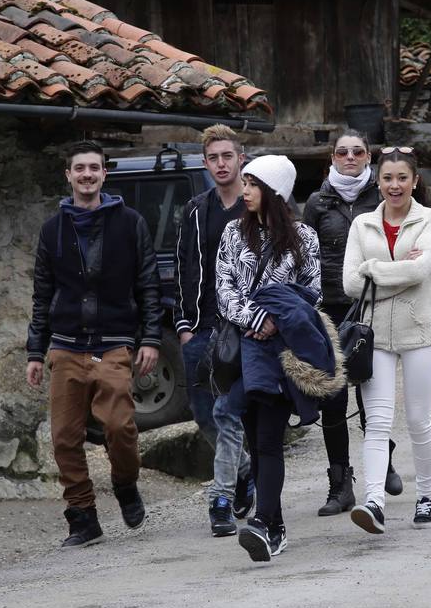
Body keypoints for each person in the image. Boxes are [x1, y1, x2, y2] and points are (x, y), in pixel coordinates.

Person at [26, 140, 161, 546]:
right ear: (68, 175)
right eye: (79, 168)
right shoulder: (52, 230)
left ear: (105, 174)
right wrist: (36, 350)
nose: (87, 175)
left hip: (114, 341)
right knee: (64, 438)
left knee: (120, 426)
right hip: (66, 344)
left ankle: (125, 485)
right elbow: (41, 293)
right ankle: (83, 516)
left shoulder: (130, 222)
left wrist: (151, 337)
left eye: (94, 168)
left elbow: (148, 284)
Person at [215, 155, 330, 561]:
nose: (244, 191)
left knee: (268, 439)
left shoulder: (305, 238)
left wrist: (276, 322)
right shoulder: (232, 232)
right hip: (245, 348)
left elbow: (311, 294)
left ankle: (263, 523)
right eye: (244, 183)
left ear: (275, 191)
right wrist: (255, 317)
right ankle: (274, 527)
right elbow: (224, 288)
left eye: (252, 184)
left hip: (282, 352)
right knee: (254, 435)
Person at [343, 146, 431, 533]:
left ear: (415, 180)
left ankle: (427, 495)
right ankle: (373, 502)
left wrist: (374, 271)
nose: (395, 185)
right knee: (378, 423)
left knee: (419, 420)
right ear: (378, 181)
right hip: (375, 338)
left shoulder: (430, 220)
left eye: (402, 177)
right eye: (388, 178)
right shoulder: (361, 225)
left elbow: (421, 270)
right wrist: (397, 272)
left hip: (419, 333)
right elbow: (350, 284)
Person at [301, 134, 402, 517]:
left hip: (370, 307)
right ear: (332, 157)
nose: (349, 157)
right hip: (327, 310)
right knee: (332, 399)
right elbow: (305, 252)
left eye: (357, 152)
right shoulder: (317, 202)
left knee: (370, 393)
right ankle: (340, 485)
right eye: (342, 152)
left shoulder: (380, 196)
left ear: (368, 157)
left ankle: (383, 461)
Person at [175, 125, 254, 537]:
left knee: (227, 414)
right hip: (201, 330)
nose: (221, 164)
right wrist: (184, 327)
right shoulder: (193, 210)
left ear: (241, 158)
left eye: (228, 156)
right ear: (205, 163)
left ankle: (220, 502)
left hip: (245, 328)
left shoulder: (256, 205)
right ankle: (245, 471)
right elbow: (184, 269)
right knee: (204, 415)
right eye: (213, 158)